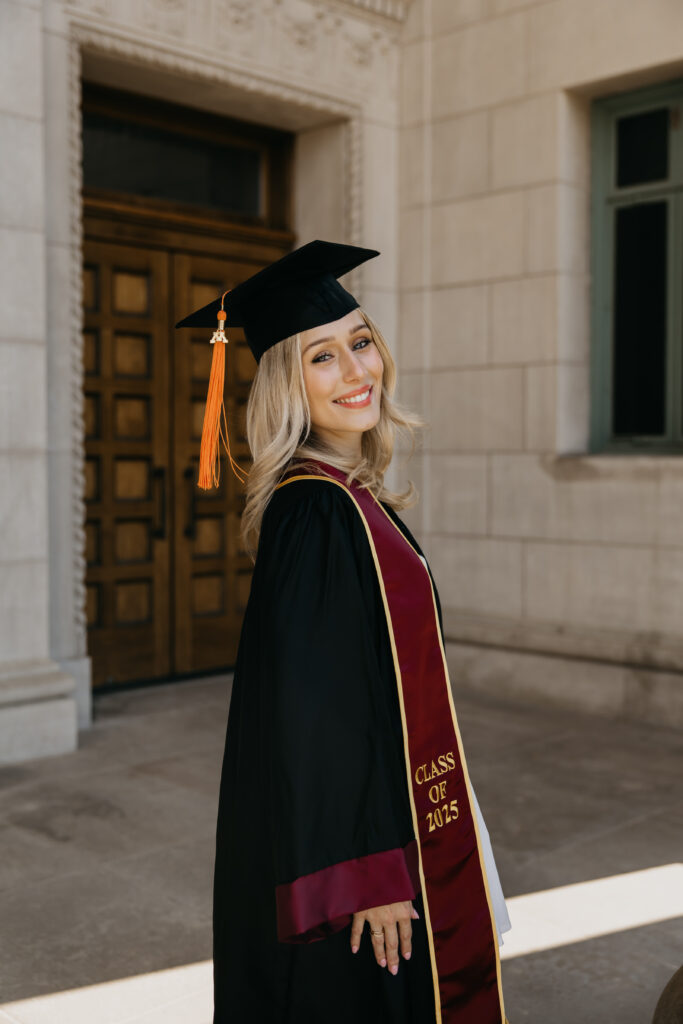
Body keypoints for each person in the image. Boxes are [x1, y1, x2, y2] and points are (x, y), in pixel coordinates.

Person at [175, 240, 512, 1024]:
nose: (356, 371)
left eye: (360, 342)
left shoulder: (349, 496)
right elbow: (313, 711)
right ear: (286, 384)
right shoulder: (317, 511)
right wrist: (366, 872)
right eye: (321, 357)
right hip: (359, 851)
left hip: (389, 811)